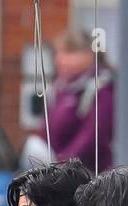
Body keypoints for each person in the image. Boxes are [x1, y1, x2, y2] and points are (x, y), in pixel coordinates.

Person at [49, 27, 115, 173]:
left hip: (89, 176)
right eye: (58, 53)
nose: (60, 59)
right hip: (59, 174)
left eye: (68, 52)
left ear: (89, 55)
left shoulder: (100, 87)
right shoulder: (61, 87)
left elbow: (93, 135)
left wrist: (62, 164)